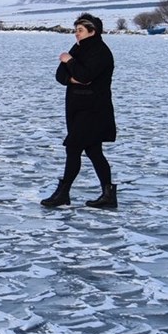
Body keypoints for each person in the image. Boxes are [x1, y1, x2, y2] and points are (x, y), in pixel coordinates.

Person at [41, 13, 118, 208]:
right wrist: (71, 76)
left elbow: (84, 76)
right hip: (76, 108)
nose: (76, 34)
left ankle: (63, 193)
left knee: (73, 148)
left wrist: (69, 62)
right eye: (76, 30)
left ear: (92, 32)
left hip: (94, 110)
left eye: (80, 31)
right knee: (94, 151)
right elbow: (60, 75)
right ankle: (108, 195)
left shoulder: (101, 52)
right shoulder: (78, 49)